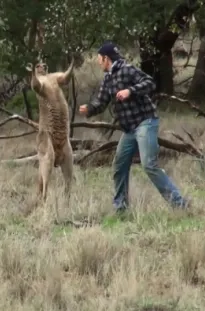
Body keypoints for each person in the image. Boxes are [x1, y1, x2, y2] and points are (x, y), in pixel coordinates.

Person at [79, 41, 190, 213]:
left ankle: (179, 204)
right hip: (129, 129)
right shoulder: (108, 79)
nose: (98, 62)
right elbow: (100, 102)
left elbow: (150, 83)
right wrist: (89, 109)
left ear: (106, 59)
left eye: (99, 59)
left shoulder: (127, 69)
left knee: (149, 165)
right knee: (119, 165)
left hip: (145, 122)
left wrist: (130, 91)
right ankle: (121, 208)